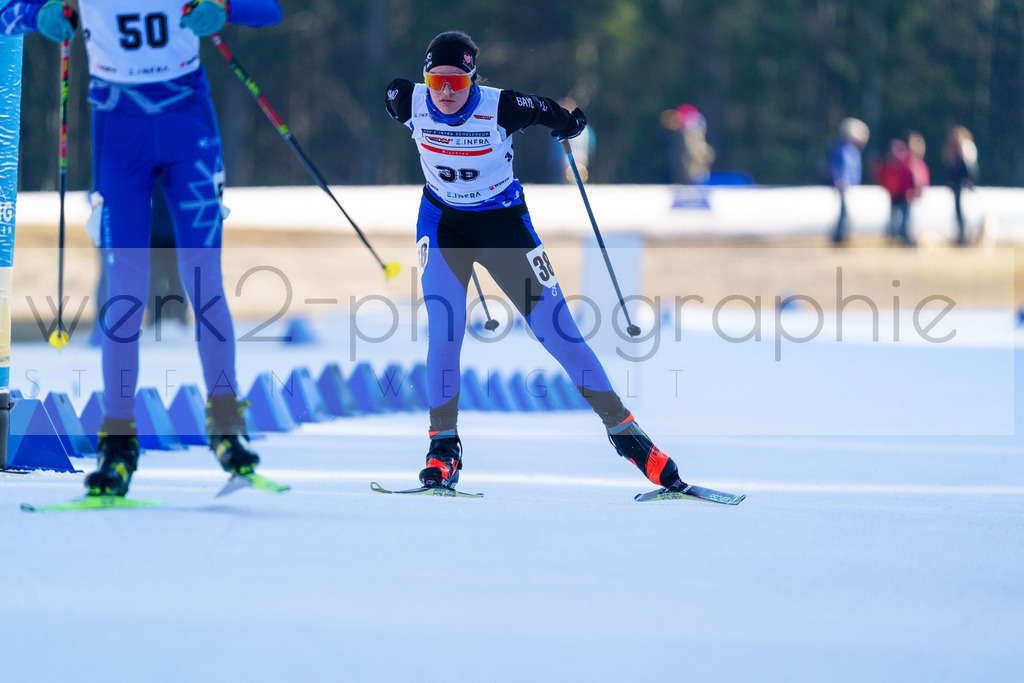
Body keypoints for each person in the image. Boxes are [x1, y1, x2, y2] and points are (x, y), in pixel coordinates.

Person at [385, 30, 687, 495]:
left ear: (473, 79)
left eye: (457, 83)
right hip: (443, 226)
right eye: (436, 80)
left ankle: (628, 437)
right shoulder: (407, 99)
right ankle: (442, 445)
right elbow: (393, 94)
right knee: (444, 331)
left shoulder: (501, 105)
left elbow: (547, 110)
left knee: (558, 332)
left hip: (503, 229)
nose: (445, 92)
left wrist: (570, 124)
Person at [2, 0, 283, 497]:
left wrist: (224, 8)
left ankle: (224, 423)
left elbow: (270, 11)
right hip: (119, 131)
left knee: (204, 279)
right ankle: (118, 441)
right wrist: (38, 14)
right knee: (125, 291)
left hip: (187, 124)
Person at [828, 117, 869, 245]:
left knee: (846, 212)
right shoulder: (844, 150)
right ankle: (839, 237)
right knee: (844, 212)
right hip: (844, 185)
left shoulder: (851, 151)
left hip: (849, 186)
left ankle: (842, 235)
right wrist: (841, 181)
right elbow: (841, 167)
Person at [874, 139, 915, 247]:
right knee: (895, 217)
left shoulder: (905, 165)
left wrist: (909, 193)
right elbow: (882, 178)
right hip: (894, 195)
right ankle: (894, 236)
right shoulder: (887, 165)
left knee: (903, 218)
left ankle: (902, 236)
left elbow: (908, 181)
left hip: (903, 195)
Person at [943, 125, 979, 246]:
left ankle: (965, 237)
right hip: (957, 185)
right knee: (958, 211)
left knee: (964, 212)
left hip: (964, 184)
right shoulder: (953, 150)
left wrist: (969, 181)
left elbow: (970, 168)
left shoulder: (966, 148)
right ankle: (961, 236)